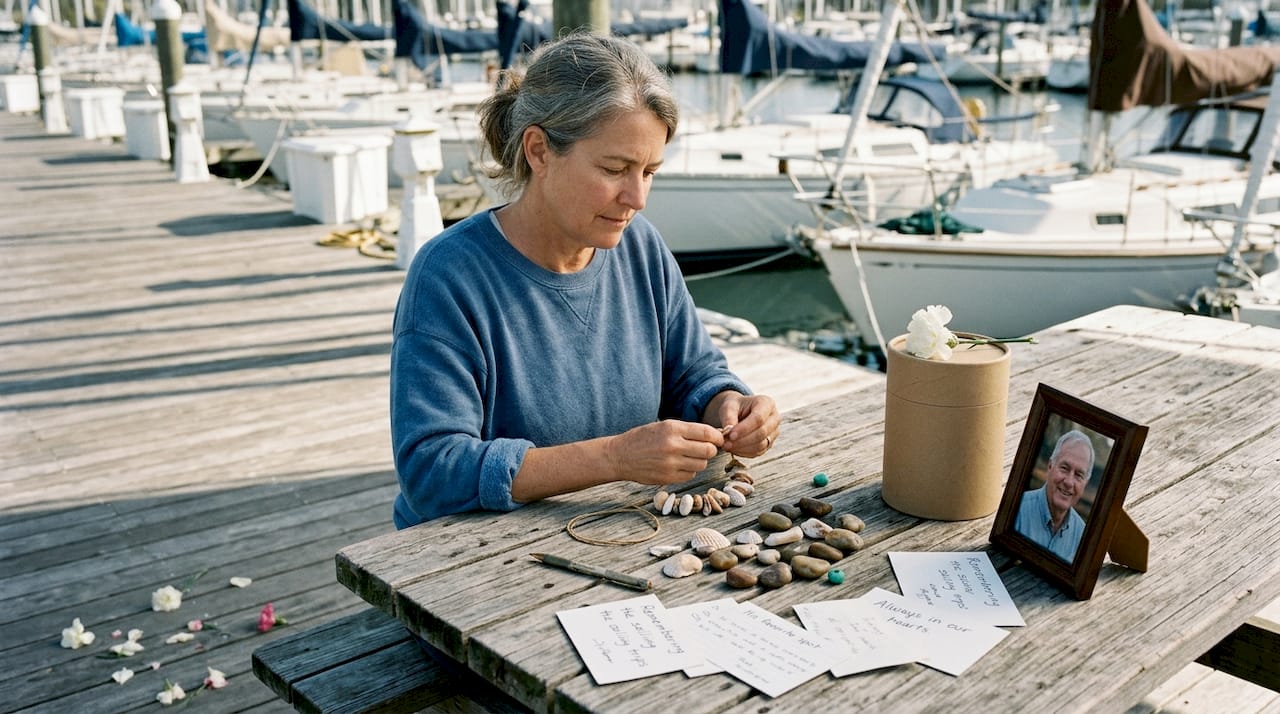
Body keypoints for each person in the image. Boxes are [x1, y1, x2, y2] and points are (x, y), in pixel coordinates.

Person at [388, 32, 781, 529]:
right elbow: (431, 470)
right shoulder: (446, 275)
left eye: (650, 171)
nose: (637, 198)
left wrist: (731, 405)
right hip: (465, 560)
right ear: (538, 151)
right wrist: (613, 459)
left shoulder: (642, 247)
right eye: (615, 169)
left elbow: (694, 377)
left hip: (620, 533)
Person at [1014, 429, 1094, 563]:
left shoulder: (1082, 536)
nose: (1069, 482)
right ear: (1050, 466)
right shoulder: (1017, 509)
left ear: (1085, 483)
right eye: (1064, 468)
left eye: (1079, 475)